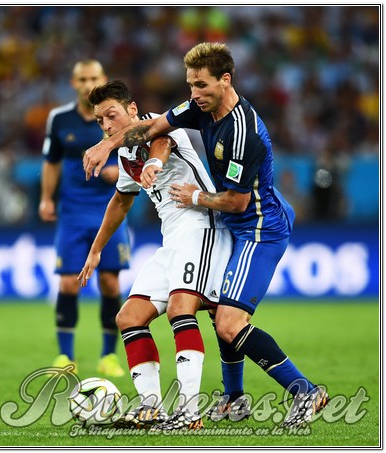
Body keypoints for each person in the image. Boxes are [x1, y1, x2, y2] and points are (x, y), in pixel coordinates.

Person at [83, 42, 328, 428]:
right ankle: (222, 400)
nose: (193, 93)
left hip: (256, 226)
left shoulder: (243, 133)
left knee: (223, 319)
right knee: (167, 315)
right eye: (190, 85)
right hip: (210, 227)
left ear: (225, 80)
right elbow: (157, 129)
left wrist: (191, 192)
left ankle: (302, 392)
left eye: (200, 85)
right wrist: (107, 144)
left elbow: (233, 198)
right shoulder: (199, 108)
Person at [77, 80, 233, 430]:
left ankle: (189, 413)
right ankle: (152, 410)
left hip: (201, 226)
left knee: (181, 309)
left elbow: (162, 142)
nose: (106, 125)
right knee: (129, 317)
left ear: (132, 109)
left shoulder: (157, 123)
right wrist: (96, 250)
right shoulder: (125, 154)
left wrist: (154, 164)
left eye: (111, 115)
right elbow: (121, 201)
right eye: (100, 120)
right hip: (172, 240)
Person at [39, 59, 129, 378]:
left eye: (93, 78)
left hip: (111, 209)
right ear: (73, 82)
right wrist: (46, 198)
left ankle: (109, 356)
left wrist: (120, 171)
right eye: (82, 79)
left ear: (104, 79)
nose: (88, 84)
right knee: (68, 281)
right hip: (73, 211)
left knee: (110, 282)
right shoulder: (59, 118)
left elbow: (138, 154)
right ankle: (65, 355)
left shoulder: (118, 117)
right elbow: (51, 161)